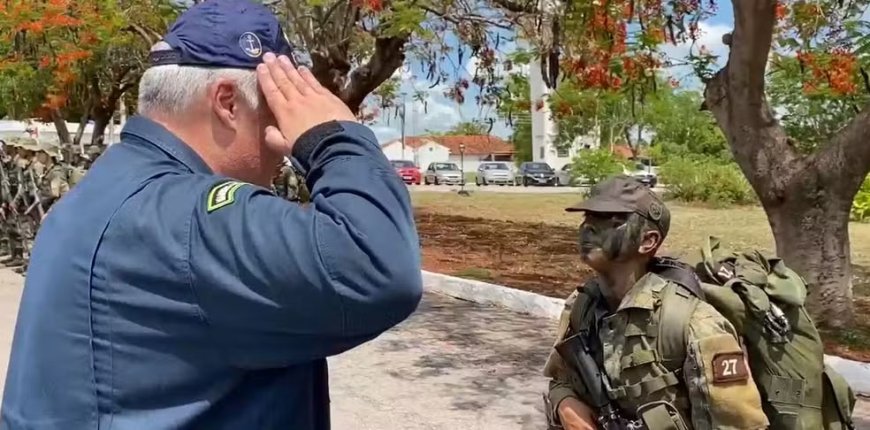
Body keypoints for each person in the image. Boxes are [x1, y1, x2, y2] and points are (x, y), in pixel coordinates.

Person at [0, 1, 423, 429]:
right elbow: (375, 267)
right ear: (227, 103)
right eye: (276, 114)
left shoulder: (105, 190)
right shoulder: (182, 215)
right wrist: (335, 139)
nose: (283, 141)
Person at [542, 175, 768, 430]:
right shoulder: (582, 305)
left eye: (611, 221)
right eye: (587, 218)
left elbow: (738, 425)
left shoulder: (693, 323)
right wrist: (566, 406)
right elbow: (560, 379)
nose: (588, 228)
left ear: (647, 241)